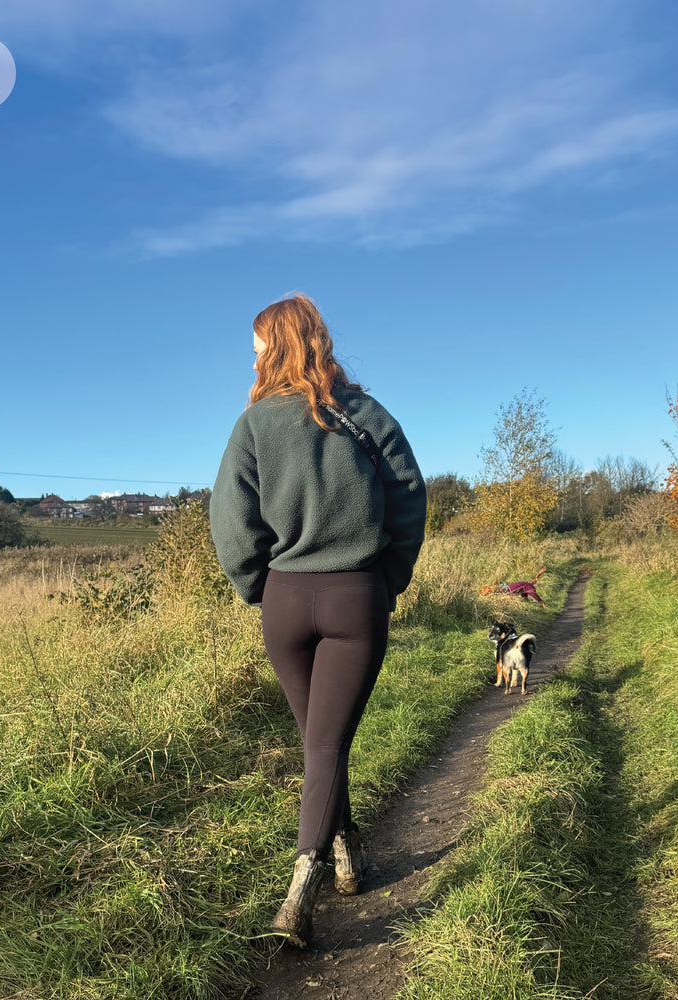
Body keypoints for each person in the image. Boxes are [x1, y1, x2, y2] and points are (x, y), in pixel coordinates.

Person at [209, 293, 427, 948]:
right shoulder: (366, 414)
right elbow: (409, 498)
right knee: (327, 744)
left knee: (320, 742)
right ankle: (303, 883)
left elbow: (229, 523)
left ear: (273, 347)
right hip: (354, 597)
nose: (252, 362)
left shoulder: (254, 425)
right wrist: (387, 577)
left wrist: (259, 588)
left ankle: (344, 858)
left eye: (255, 349)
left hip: (286, 602)